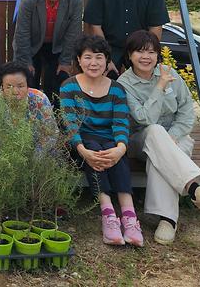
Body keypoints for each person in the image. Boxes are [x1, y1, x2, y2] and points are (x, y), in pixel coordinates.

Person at [117, 30, 200, 245]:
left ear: (157, 55)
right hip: (141, 139)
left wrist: (173, 135)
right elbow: (144, 118)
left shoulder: (170, 73)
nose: (146, 57)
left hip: (176, 137)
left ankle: (167, 220)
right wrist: (160, 86)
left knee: (162, 159)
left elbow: (186, 111)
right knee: (156, 131)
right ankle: (194, 188)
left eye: (151, 52)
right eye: (140, 52)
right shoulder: (124, 84)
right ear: (129, 55)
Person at [60, 35, 143, 247]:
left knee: (112, 149)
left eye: (99, 57)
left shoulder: (116, 88)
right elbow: (71, 125)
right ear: (78, 60)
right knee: (94, 148)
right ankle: (108, 215)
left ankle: (129, 216)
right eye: (87, 57)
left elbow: (121, 123)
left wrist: (121, 148)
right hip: (82, 143)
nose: (93, 63)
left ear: (107, 61)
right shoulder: (69, 86)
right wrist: (82, 150)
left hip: (110, 141)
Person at [12, 0, 83, 105]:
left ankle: (55, 120)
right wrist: (26, 61)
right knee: (28, 81)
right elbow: (22, 34)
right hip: (31, 46)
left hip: (57, 46)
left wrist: (65, 61)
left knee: (56, 85)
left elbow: (73, 34)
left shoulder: (75, 0)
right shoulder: (28, 0)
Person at [0, 61, 58, 136]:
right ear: (2, 87)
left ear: (27, 86)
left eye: (20, 86)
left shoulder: (40, 99)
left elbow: (51, 134)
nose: (15, 92)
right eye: (9, 87)